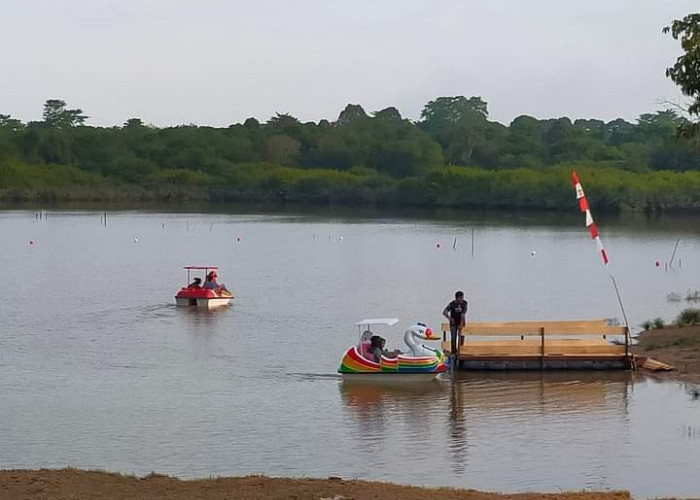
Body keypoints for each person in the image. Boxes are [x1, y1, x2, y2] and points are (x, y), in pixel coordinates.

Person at [443, 290, 468, 359]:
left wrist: (461, 324)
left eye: (462, 298)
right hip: (453, 323)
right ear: (456, 298)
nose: (461, 300)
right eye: (460, 298)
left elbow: (463, 314)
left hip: (461, 322)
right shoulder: (452, 304)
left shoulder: (464, 303)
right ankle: (453, 352)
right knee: (453, 338)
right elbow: (444, 312)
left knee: (461, 337)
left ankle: (461, 350)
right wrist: (449, 318)